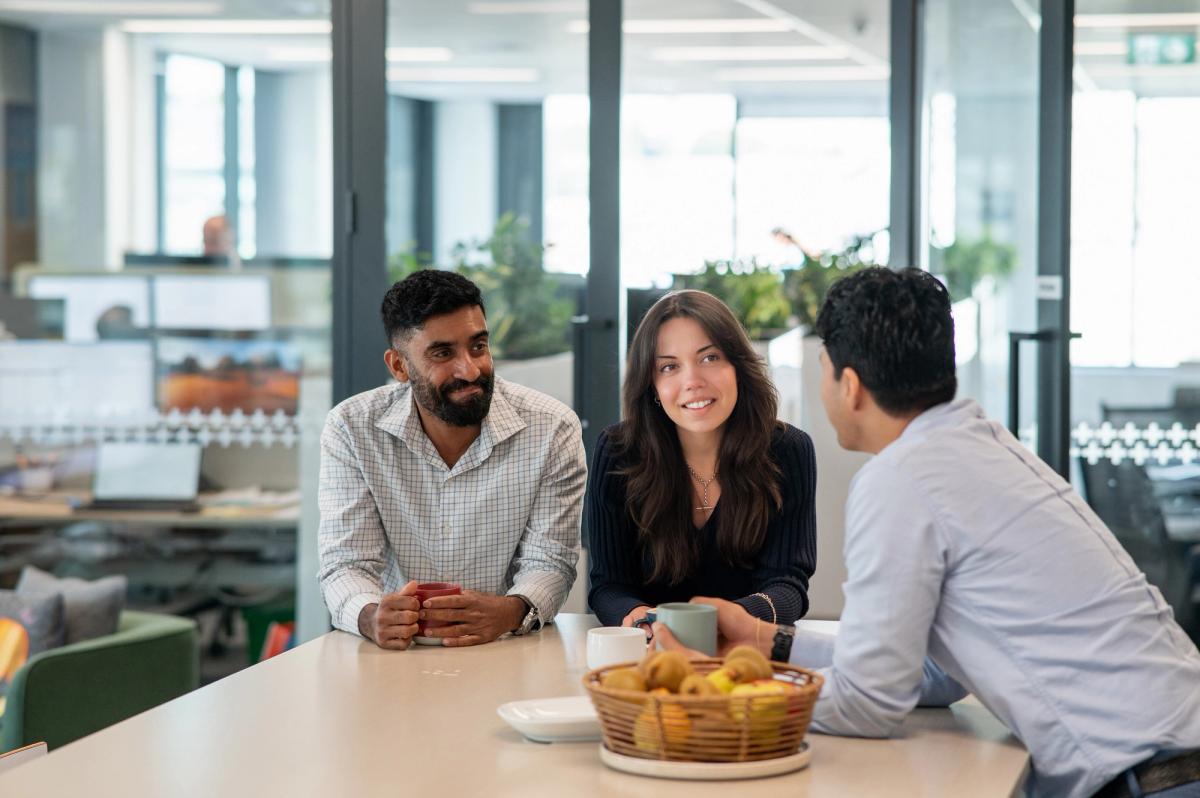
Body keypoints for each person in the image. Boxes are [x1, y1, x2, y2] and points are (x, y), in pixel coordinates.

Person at [654, 267, 1200, 798]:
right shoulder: (982, 444)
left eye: (822, 370)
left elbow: (867, 704)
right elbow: (939, 675)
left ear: (850, 384)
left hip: (1154, 779)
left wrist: (715, 686)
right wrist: (762, 640)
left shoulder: (900, 478)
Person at [317, 270, 585, 650]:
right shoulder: (352, 428)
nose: (470, 369)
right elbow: (346, 564)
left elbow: (551, 562)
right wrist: (370, 615)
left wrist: (509, 610)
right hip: (395, 655)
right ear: (399, 366)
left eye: (478, 346)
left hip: (506, 648)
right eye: (443, 353)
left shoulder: (553, 428)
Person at [586, 289, 817, 630]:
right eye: (669, 367)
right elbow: (608, 586)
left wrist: (721, 623)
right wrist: (638, 618)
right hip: (649, 655)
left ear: (737, 365)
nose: (692, 382)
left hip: (748, 654)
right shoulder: (619, 451)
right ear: (651, 383)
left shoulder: (787, 450)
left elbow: (788, 585)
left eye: (709, 358)